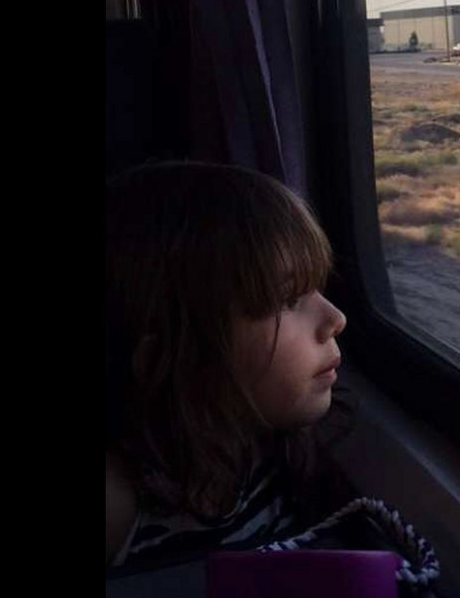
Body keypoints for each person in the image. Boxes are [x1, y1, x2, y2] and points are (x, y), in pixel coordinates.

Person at [106, 161, 351, 570]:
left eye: (317, 289)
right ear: (171, 359)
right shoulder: (120, 502)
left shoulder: (274, 443)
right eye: (287, 300)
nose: (335, 319)